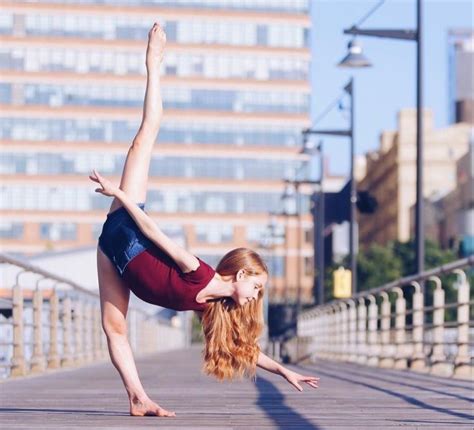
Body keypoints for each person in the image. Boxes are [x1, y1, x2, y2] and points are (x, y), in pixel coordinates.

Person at [90, 22, 319, 418]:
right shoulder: (199, 273)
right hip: (127, 226)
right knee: (146, 135)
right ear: (242, 275)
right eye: (258, 286)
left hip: (113, 258)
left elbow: (243, 350)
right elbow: (153, 232)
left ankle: (137, 397)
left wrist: (283, 371)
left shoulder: (212, 306)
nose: (257, 295)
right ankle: (154, 65)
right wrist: (121, 196)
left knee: (115, 328)